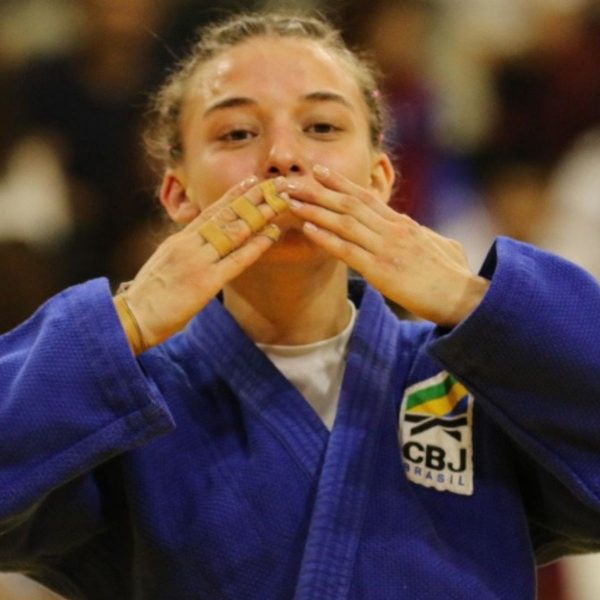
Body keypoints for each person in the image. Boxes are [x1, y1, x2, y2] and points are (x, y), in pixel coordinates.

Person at [1, 11, 600, 600]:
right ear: (178, 194)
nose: (283, 158)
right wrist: (123, 323)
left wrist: (477, 305)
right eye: (237, 133)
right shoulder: (118, 398)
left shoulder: (483, 380)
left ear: (379, 181)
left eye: (321, 128)